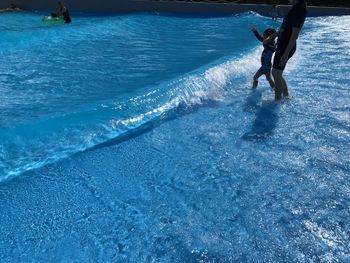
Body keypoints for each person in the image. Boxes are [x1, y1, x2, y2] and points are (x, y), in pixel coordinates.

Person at [270, 0, 307, 100]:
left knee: (276, 73)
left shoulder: (299, 9)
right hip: (283, 44)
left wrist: (286, 54)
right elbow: (287, 28)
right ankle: (286, 97)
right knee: (276, 73)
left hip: (285, 47)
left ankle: (277, 103)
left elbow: (294, 34)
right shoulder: (296, 7)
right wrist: (276, 34)